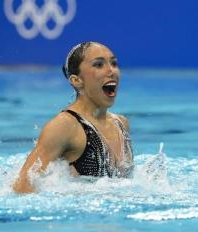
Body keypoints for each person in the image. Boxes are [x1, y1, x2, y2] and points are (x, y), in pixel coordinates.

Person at [13, 41, 134, 193]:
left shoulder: (121, 124)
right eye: (98, 65)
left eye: (114, 63)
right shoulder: (65, 126)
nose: (111, 71)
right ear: (76, 80)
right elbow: (23, 185)